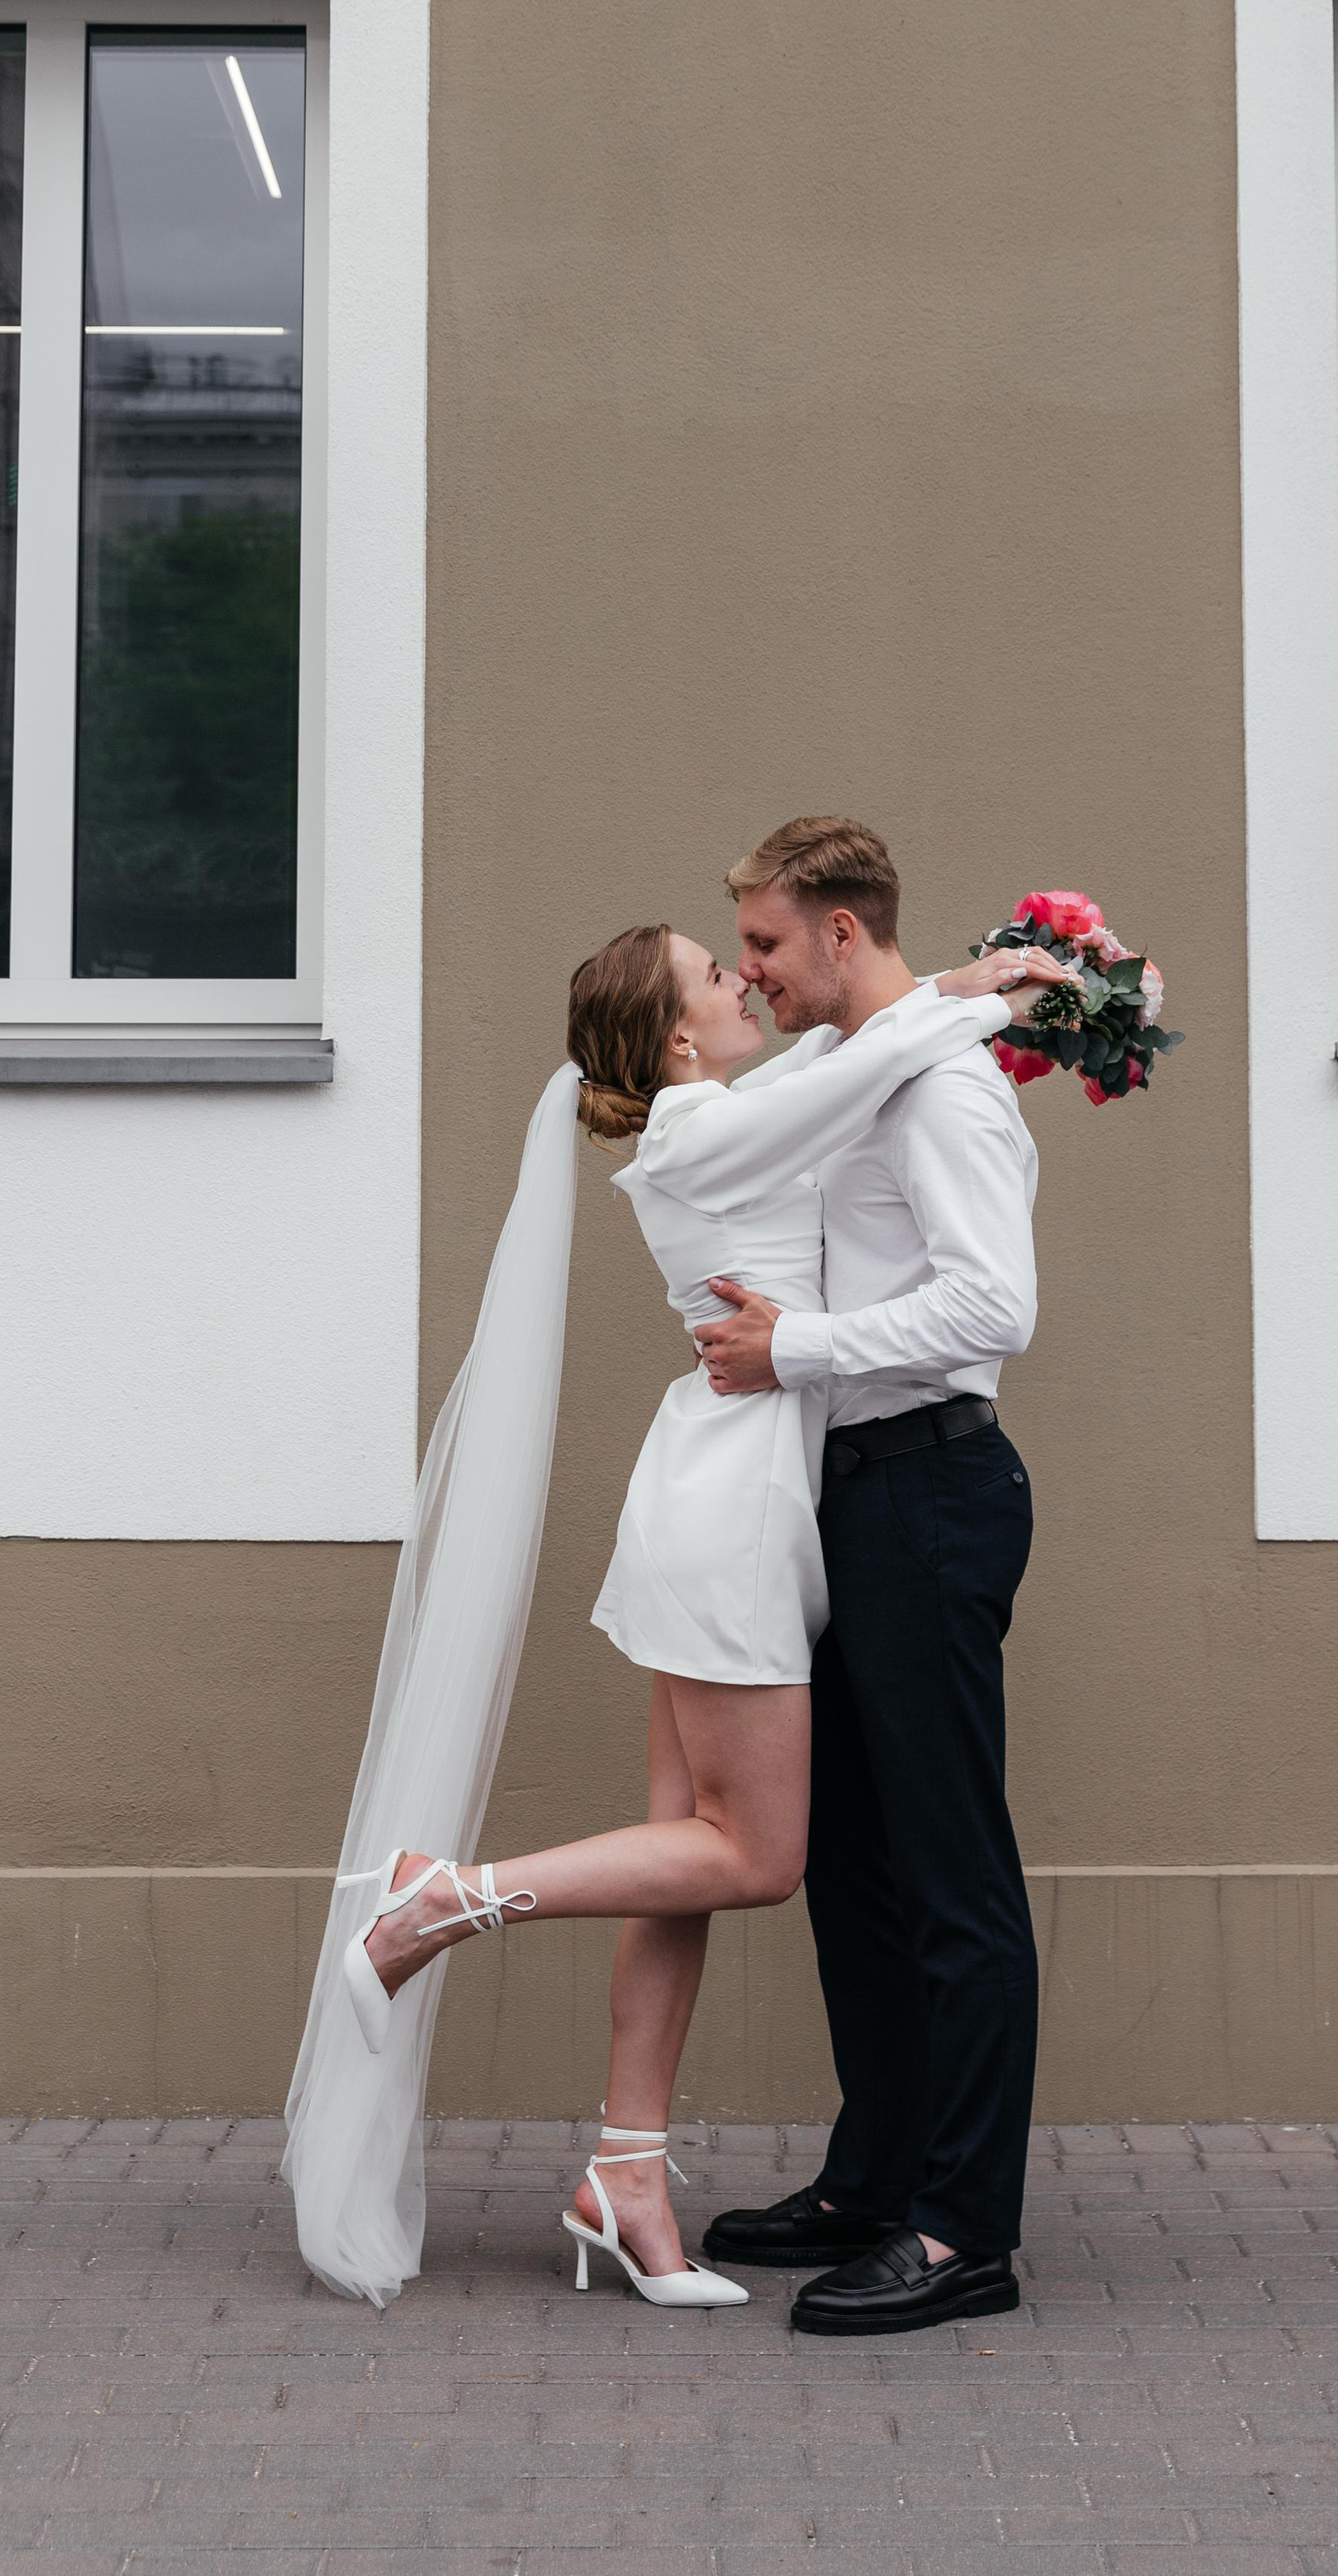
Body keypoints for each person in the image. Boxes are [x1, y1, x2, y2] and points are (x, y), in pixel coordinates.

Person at [282, 896, 1064, 2310]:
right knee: (756, 1858)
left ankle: (626, 2171)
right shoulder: (703, 1130)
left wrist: (963, 977)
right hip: (740, 1509)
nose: (745, 978)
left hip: (723, 1489)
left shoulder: (714, 1116)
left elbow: (841, 1067)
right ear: (674, 1036)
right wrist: (1020, 992)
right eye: (721, 973)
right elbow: (857, 1069)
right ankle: (443, 1900)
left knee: (681, 1859)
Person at [692, 816, 1043, 2338]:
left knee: (953, 1879)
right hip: (854, 1498)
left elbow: (993, 1307)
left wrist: (799, 1349)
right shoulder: (872, 1069)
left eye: (766, 945)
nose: (752, 975)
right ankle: (876, 2173)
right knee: (852, 1866)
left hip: (933, 1492)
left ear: (841, 932)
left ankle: (964, 2233)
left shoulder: (947, 1093)